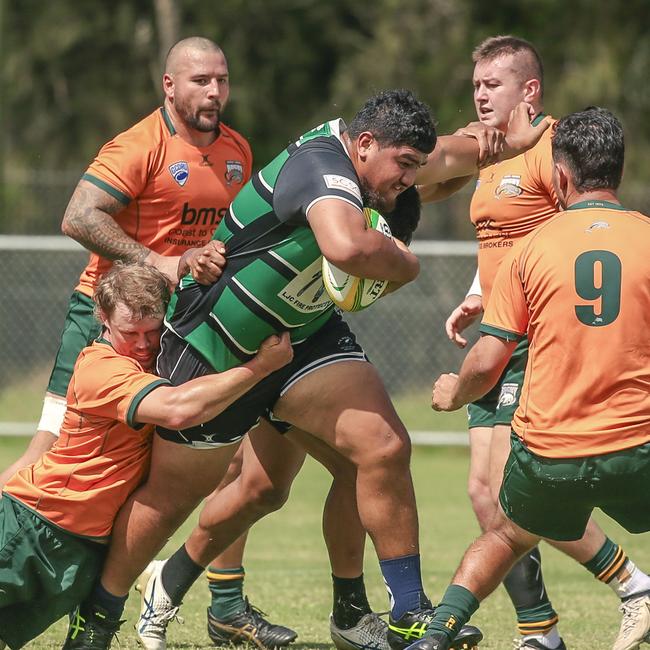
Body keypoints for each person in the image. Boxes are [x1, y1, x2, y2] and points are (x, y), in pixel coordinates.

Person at [66, 88, 551, 650]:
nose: (408, 181)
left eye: (413, 169)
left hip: (301, 337)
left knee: (379, 450)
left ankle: (394, 613)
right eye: (403, 168)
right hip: (218, 341)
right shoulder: (321, 167)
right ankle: (100, 617)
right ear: (364, 145)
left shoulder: (384, 157)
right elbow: (345, 246)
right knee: (199, 496)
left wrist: (494, 145)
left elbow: (446, 156)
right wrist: (407, 263)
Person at [0, 35, 298, 646]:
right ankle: (57, 578)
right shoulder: (139, 146)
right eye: (199, 81)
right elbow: (78, 217)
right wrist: (161, 262)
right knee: (50, 456)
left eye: (222, 78)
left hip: (184, 319)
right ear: (169, 85)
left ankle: (225, 601)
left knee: (225, 455)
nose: (214, 91)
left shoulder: (239, 151)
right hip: (109, 320)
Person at [413, 107, 650, 650]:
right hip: (640, 446)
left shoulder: (532, 250)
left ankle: (439, 631)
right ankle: (553, 625)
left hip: (552, 453)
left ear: (560, 177)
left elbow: (485, 360)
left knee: (503, 530)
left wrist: (452, 393)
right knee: (486, 494)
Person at [0, 262, 293, 650]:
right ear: (102, 319)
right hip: (35, 527)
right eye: (130, 333)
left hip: (82, 548)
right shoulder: (99, 367)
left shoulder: (158, 360)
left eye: (152, 331)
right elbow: (178, 410)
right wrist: (260, 368)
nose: (142, 344)